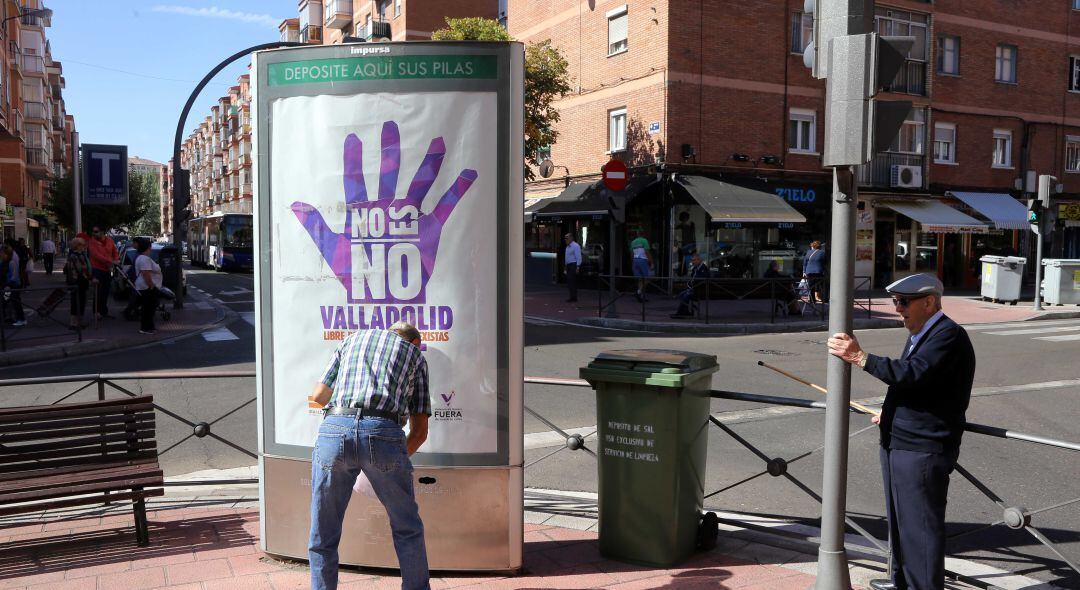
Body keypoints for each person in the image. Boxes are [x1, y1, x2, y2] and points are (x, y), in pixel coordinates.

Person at [826, 273, 975, 590]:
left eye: (904, 302)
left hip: (922, 449)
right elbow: (921, 388)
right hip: (902, 442)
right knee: (901, 525)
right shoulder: (922, 332)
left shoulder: (948, 335)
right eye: (896, 302)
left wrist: (860, 357)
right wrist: (889, 412)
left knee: (920, 531)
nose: (898, 309)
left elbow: (912, 374)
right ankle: (902, 583)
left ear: (929, 302)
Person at [308, 321, 432, 590]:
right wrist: (389, 461)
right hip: (383, 431)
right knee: (406, 526)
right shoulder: (415, 356)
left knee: (323, 531)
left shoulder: (351, 340)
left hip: (334, 429)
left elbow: (317, 396)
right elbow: (420, 431)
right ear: (414, 343)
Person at [87, 226, 118, 320]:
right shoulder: (91, 242)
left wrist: (116, 260)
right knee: (98, 292)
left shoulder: (110, 241)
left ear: (102, 232)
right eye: (93, 231)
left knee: (106, 292)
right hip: (97, 269)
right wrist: (111, 262)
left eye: (96, 231)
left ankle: (104, 311)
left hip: (107, 270)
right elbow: (96, 255)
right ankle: (96, 312)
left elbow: (115, 252)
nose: (94, 233)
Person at [133, 237, 162, 335]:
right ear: (148, 247)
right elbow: (146, 274)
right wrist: (152, 286)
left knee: (147, 308)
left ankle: (147, 327)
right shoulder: (144, 259)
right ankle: (147, 328)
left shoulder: (141, 258)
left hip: (144, 287)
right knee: (149, 309)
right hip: (147, 287)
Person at [63, 237, 92, 329]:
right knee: (77, 302)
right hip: (78, 282)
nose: (84, 246)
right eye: (83, 245)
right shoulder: (75, 256)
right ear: (77, 246)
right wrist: (90, 278)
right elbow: (81, 270)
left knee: (79, 301)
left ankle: (77, 322)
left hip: (79, 281)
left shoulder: (78, 255)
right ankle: (75, 323)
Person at [671, 253, 709, 318]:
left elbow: (700, 281)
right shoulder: (695, 268)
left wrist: (689, 285)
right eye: (692, 260)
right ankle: (684, 312)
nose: (692, 262)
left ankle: (681, 313)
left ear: (699, 260)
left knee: (685, 296)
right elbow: (693, 279)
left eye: (694, 260)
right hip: (694, 289)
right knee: (681, 295)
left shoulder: (703, 268)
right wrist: (688, 285)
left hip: (699, 290)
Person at [1, 245, 25, 326]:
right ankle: (8, 317)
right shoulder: (3, 263)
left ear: (7, 254)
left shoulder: (12, 263)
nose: (1, 255)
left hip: (12, 287)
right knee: (4, 302)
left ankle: (21, 319)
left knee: (16, 303)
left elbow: (14, 276)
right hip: (6, 287)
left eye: (2, 253)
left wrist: (8, 285)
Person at [629, 230, 653, 302]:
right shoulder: (644, 241)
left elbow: (631, 254)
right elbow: (647, 252)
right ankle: (639, 292)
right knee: (647, 279)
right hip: (643, 260)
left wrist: (633, 262)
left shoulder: (633, 242)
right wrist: (651, 262)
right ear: (644, 234)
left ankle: (641, 296)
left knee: (639, 279)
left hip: (635, 261)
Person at [563, 232, 581, 303]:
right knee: (569, 281)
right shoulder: (567, 247)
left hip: (574, 264)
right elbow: (566, 257)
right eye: (565, 238)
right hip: (568, 265)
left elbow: (578, 257)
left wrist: (578, 267)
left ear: (571, 238)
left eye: (567, 238)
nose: (565, 239)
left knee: (571, 280)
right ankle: (572, 296)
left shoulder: (576, 246)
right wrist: (565, 266)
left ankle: (574, 297)